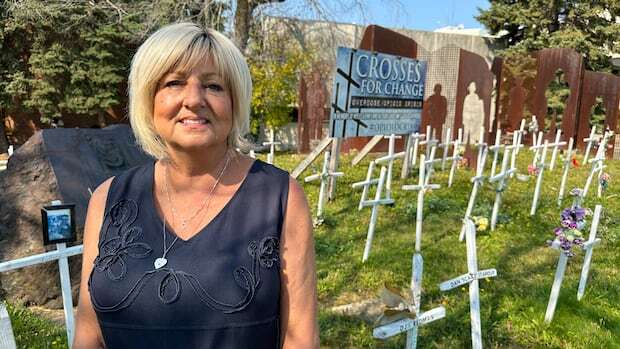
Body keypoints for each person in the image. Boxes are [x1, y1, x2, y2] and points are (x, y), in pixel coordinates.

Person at [73, 22, 319, 348]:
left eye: (213, 86)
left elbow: (300, 339)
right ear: (149, 99)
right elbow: (88, 334)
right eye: (174, 83)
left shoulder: (279, 197)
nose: (193, 99)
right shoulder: (107, 199)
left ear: (234, 101)